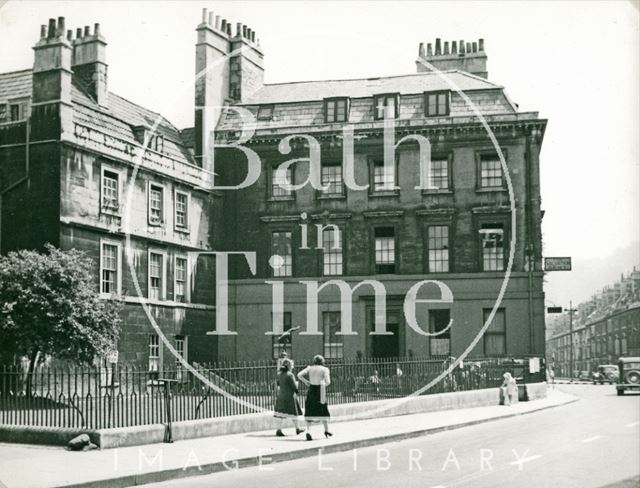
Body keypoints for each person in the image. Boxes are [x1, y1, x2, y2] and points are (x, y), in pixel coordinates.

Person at [297, 355, 332, 440]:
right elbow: (328, 382)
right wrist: (322, 382)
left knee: (310, 410)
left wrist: (306, 382)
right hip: (320, 390)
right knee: (323, 409)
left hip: (311, 389)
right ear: (322, 361)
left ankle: (309, 431)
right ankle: (326, 430)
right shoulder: (325, 369)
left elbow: (299, 375)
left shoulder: (310, 368)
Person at [273, 358, 304, 436]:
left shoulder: (279, 374)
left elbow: (278, 384)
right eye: (292, 365)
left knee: (280, 414)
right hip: (290, 396)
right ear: (289, 366)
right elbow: (294, 386)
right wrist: (297, 389)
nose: (292, 367)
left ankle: (278, 430)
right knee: (294, 413)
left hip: (281, 396)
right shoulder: (290, 375)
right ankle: (297, 429)